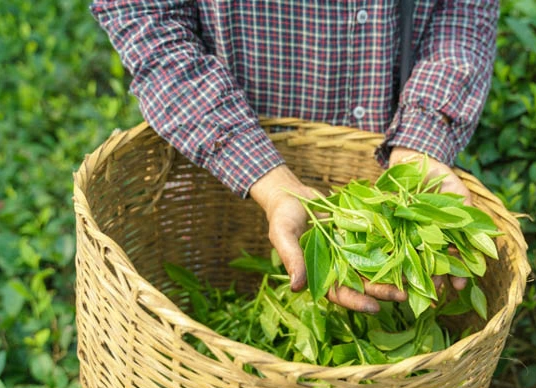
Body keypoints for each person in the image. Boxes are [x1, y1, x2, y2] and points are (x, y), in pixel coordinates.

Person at [91, 1, 499, 313]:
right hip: (219, 159)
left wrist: (421, 141)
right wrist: (262, 174)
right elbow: (145, 16)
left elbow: (463, 11)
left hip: (389, 144)